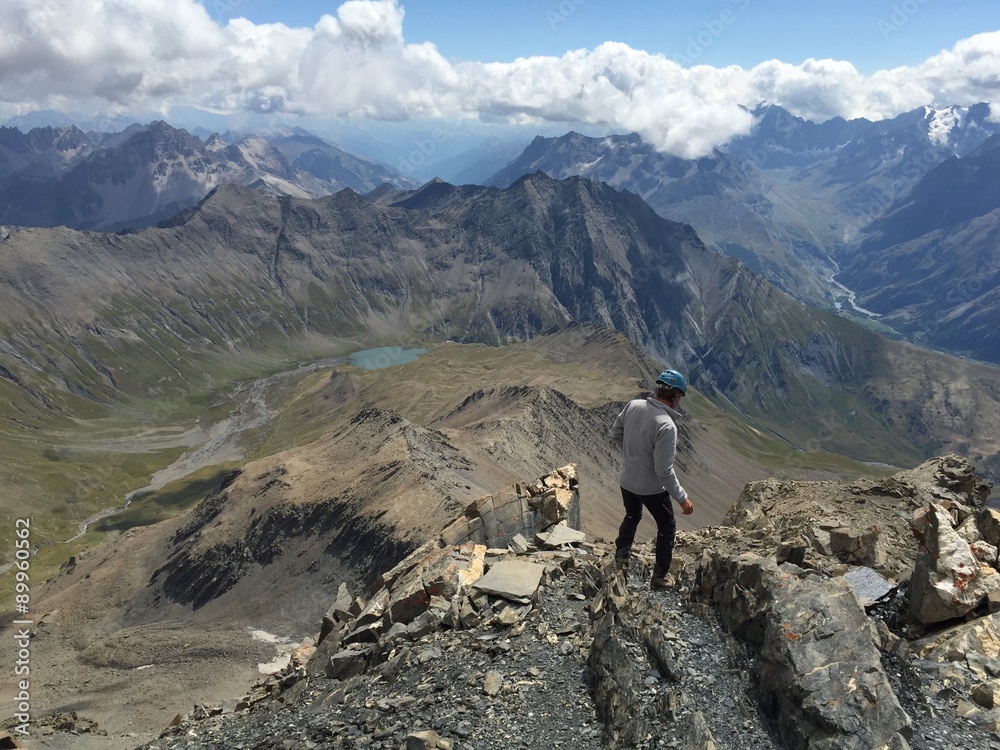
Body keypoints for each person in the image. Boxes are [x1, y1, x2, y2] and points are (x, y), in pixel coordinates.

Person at [611, 368, 694, 589]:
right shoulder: (666, 425)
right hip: (651, 489)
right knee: (667, 526)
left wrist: (633, 457)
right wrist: (682, 498)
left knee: (632, 515)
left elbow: (616, 434)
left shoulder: (633, 405)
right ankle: (659, 578)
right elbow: (663, 471)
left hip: (627, 480)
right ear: (676, 397)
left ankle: (621, 559)